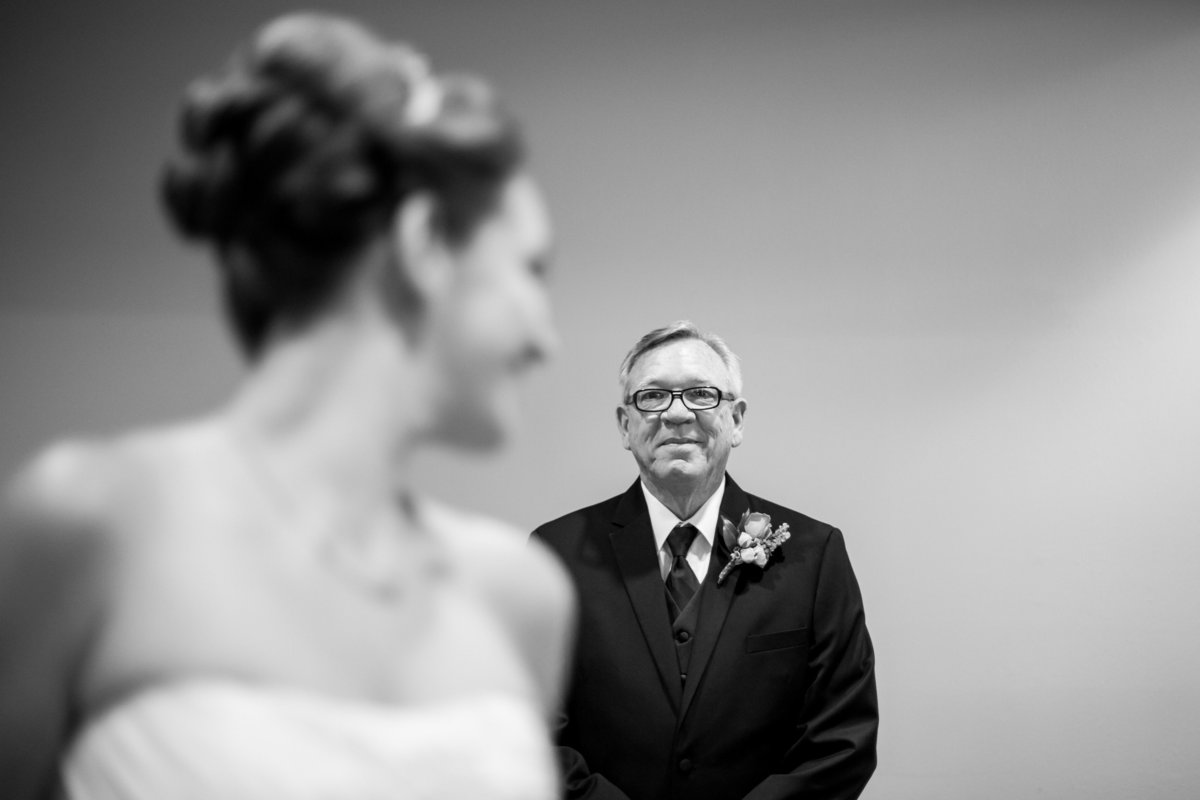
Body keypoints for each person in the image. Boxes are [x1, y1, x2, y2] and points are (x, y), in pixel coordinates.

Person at [0, 12, 573, 800]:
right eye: (531, 270)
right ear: (424, 244)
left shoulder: (520, 598)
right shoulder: (91, 523)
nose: (549, 337)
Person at [532, 321, 878, 800]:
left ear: (736, 420)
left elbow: (843, 740)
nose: (677, 415)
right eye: (652, 397)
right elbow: (530, 732)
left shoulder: (813, 555)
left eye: (701, 394)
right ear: (624, 425)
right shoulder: (555, 554)